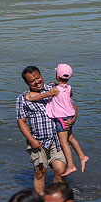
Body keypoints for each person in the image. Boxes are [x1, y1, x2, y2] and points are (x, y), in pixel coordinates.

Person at [25, 63, 89, 177]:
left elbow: (42, 96)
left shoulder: (55, 90)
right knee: (71, 138)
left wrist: (30, 98)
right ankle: (82, 156)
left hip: (61, 119)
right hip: (69, 116)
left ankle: (71, 166)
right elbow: (70, 95)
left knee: (64, 143)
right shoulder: (69, 88)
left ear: (57, 76)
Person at [16, 66, 67, 194]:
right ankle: (39, 200)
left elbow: (70, 105)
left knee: (60, 170)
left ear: (41, 76)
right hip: (37, 141)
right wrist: (31, 140)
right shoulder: (23, 99)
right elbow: (21, 122)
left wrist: (72, 119)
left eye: (38, 78)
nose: (37, 82)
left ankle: (56, 199)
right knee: (40, 172)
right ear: (27, 83)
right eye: (32, 81)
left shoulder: (53, 89)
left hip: (56, 139)